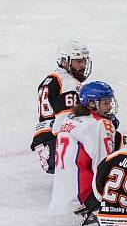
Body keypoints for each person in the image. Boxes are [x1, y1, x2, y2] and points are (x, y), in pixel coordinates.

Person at [49, 81, 127, 215]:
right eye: (105, 103)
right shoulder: (100, 124)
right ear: (92, 104)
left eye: (110, 102)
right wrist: (99, 195)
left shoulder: (70, 119)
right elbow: (104, 165)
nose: (110, 107)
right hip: (83, 199)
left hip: (61, 200)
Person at [31, 40, 92, 174]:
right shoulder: (69, 83)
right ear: (65, 61)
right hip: (56, 148)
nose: (83, 65)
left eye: (83, 61)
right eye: (78, 61)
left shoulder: (51, 78)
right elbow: (67, 123)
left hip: (43, 145)